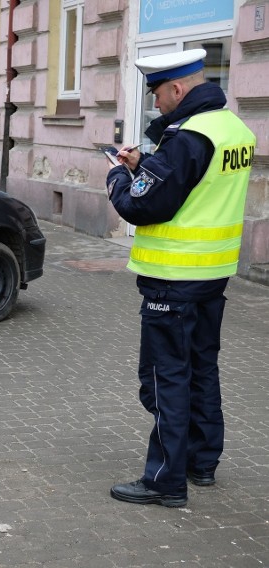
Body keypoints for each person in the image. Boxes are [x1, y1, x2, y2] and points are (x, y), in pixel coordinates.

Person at [105, 49, 256, 507]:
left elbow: (144, 205)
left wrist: (117, 178)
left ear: (177, 89)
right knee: (201, 367)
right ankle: (201, 461)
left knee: (164, 376)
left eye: (158, 93)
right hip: (213, 272)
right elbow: (193, 187)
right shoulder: (234, 130)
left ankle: (164, 481)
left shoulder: (189, 136)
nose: (157, 103)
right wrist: (144, 167)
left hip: (174, 276)